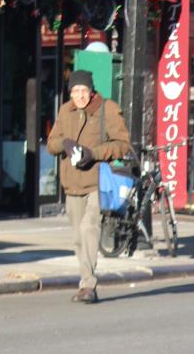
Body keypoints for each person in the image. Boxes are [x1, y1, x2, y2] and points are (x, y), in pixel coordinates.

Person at [46, 69, 131, 303]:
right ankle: (86, 278)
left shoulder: (107, 109)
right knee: (77, 237)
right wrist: (65, 143)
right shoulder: (66, 110)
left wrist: (93, 153)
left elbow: (123, 144)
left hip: (97, 182)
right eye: (75, 91)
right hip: (72, 183)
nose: (80, 96)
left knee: (88, 228)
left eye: (84, 90)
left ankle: (88, 285)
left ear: (91, 91)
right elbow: (51, 144)